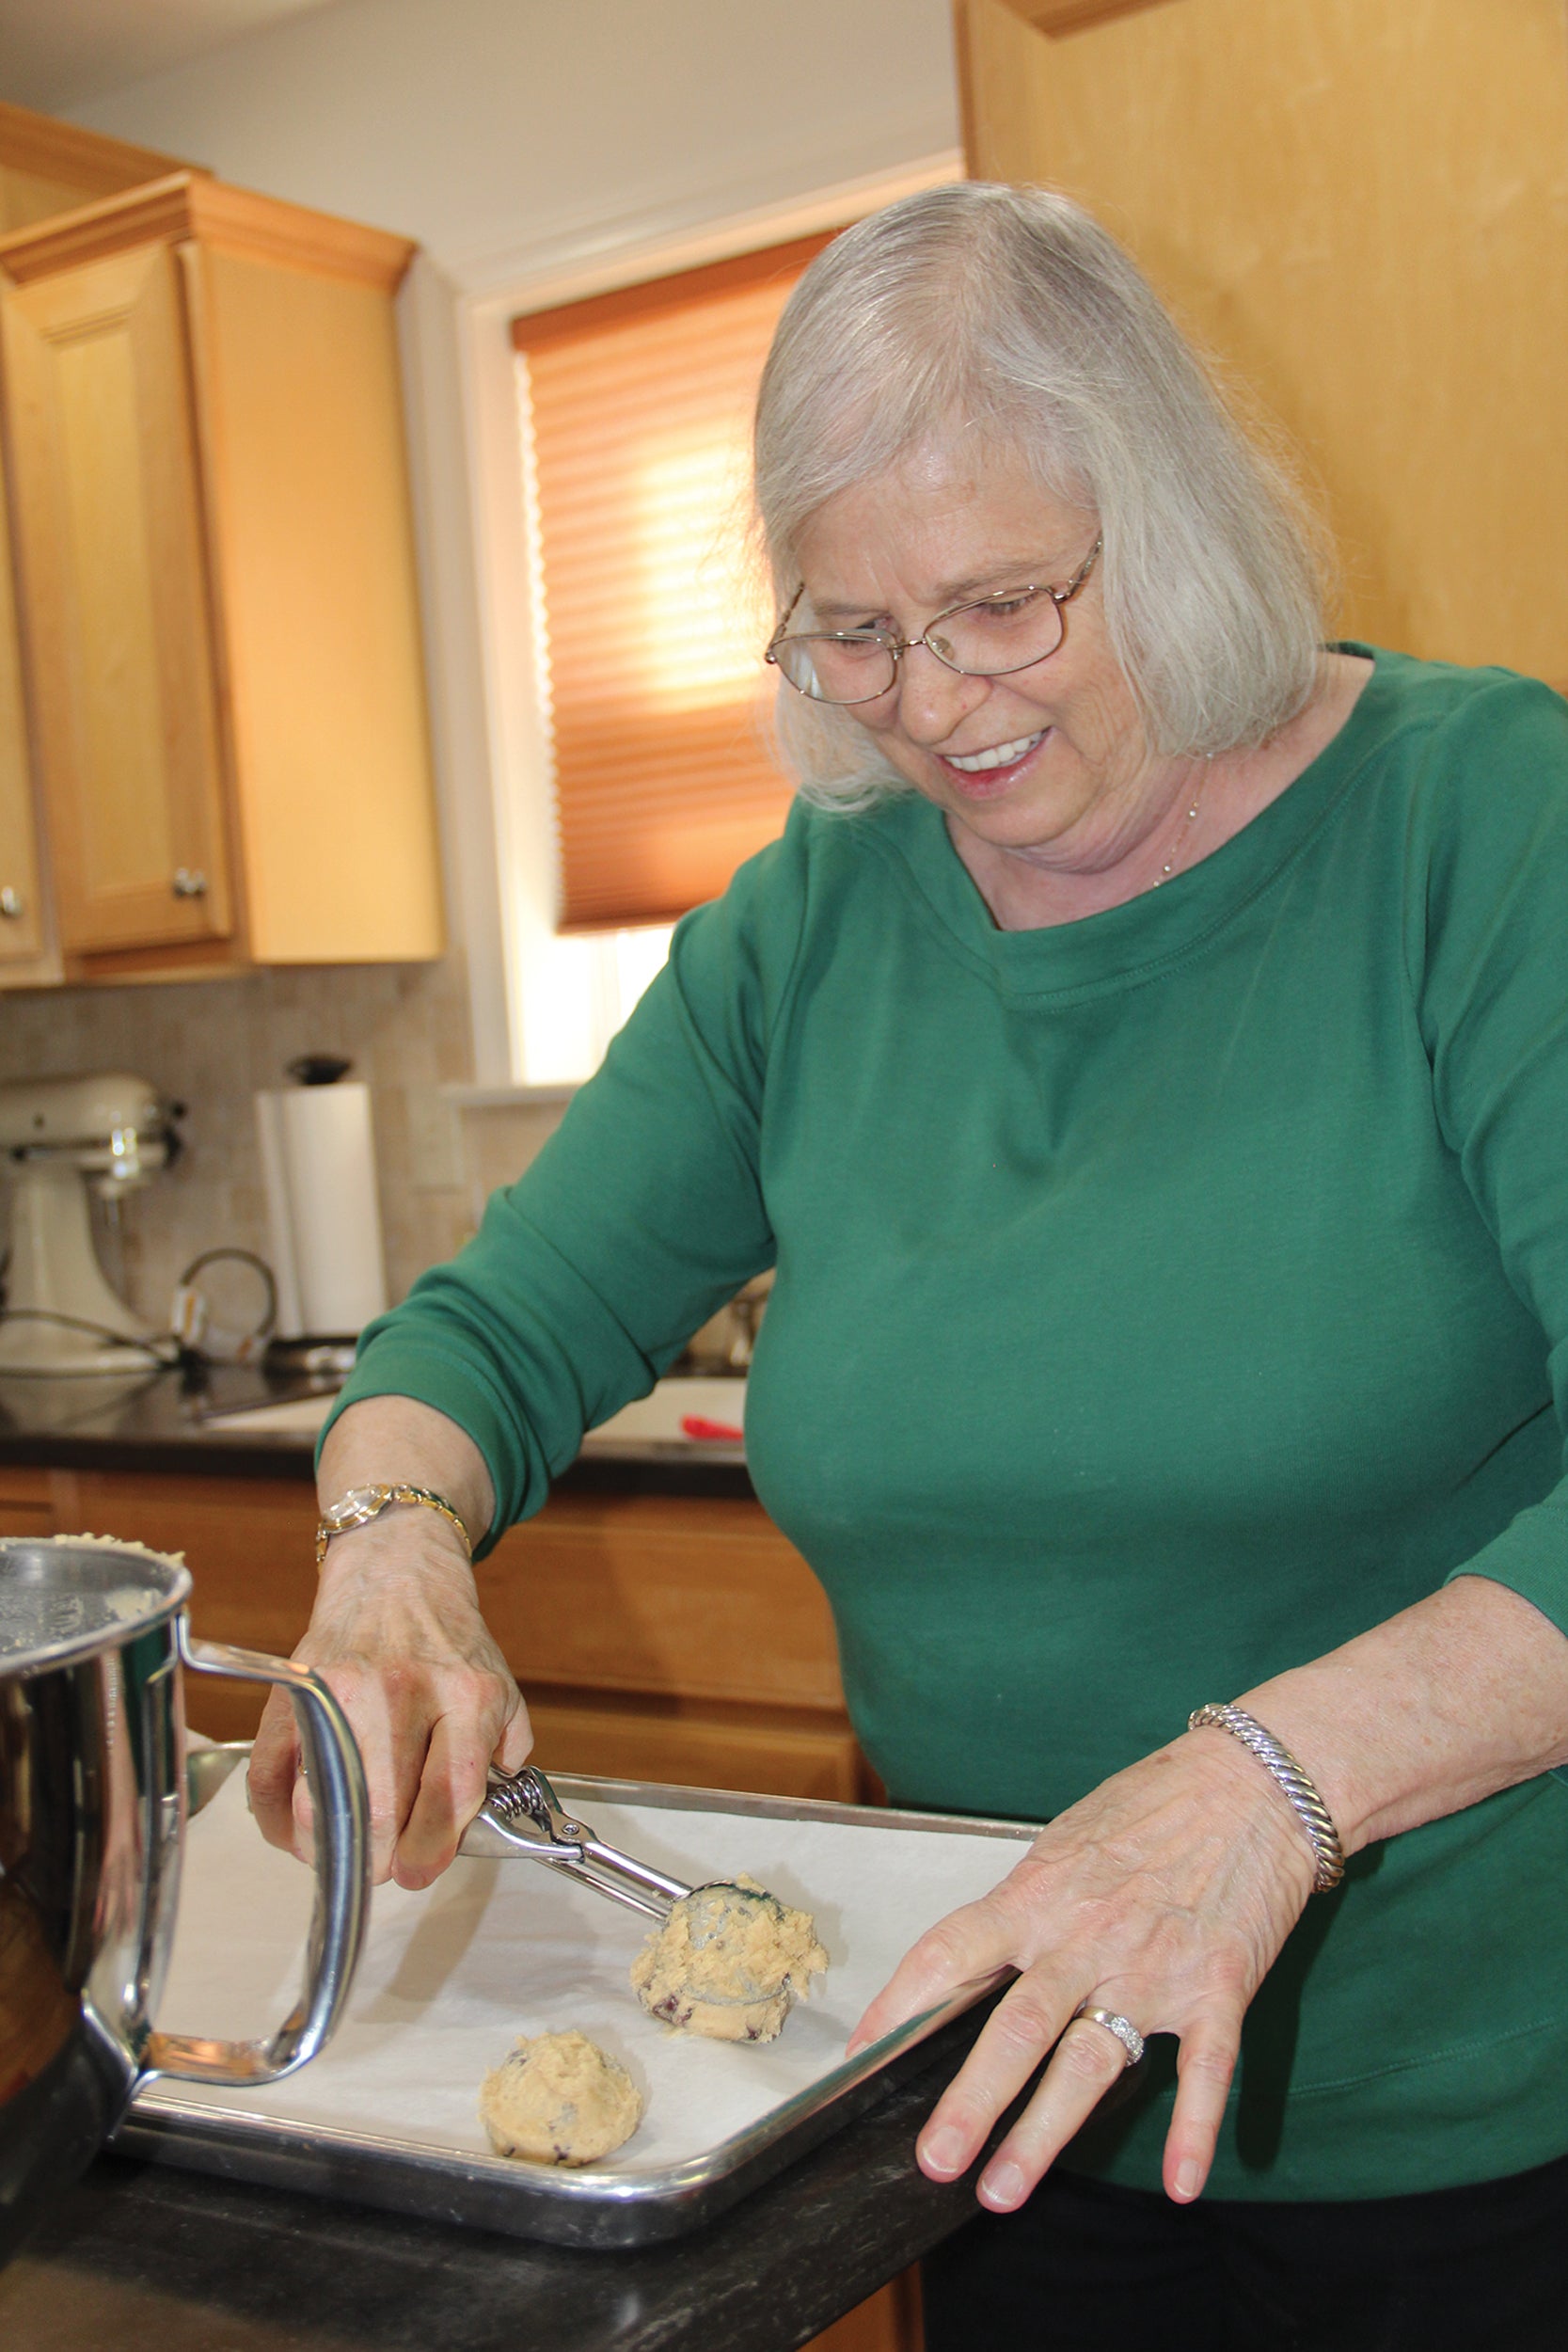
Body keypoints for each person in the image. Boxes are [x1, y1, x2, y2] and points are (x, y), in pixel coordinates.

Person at [250, 184, 1568, 2347]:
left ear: (1177, 524)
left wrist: (1268, 1780)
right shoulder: (822, 912)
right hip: (991, 2081)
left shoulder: (1481, 827)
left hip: (1471, 2128)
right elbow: (490, 1331)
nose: (929, 702)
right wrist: (390, 1539)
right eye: (847, 630)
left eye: (1000, 606)